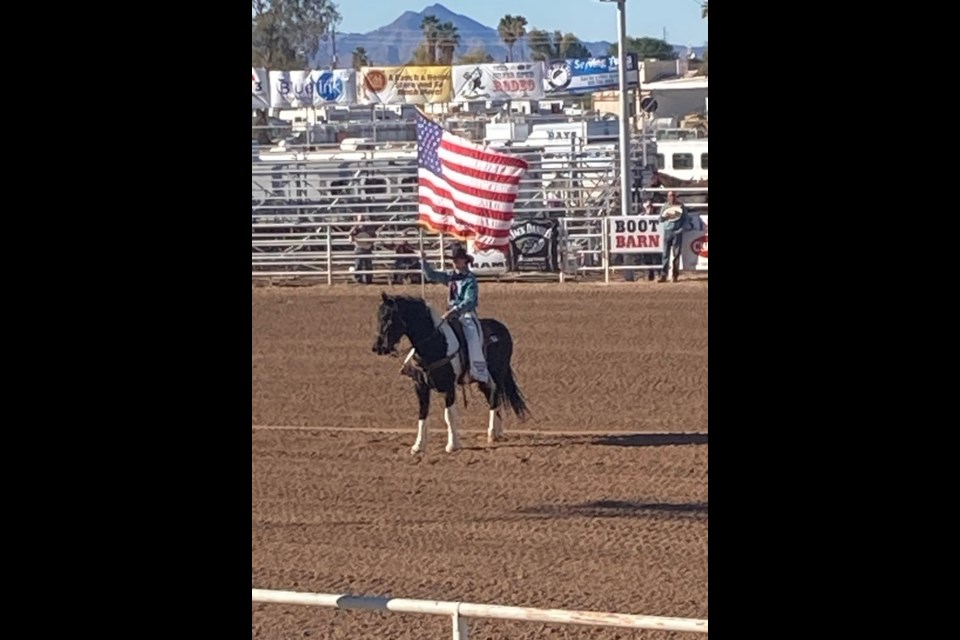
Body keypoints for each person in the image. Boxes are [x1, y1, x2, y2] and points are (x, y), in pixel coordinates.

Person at [418, 245, 489, 383]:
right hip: (450, 313)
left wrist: (455, 310)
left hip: (466, 314)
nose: (455, 262)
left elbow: (469, 301)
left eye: (458, 259)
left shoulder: (470, 279)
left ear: (464, 261)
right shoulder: (450, 276)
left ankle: (476, 369)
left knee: (472, 336)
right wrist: (423, 261)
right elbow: (431, 275)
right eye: (454, 259)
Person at [658, 191, 689, 283]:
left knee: (676, 255)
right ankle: (664, 275)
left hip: (677, 232)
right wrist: (666, 216)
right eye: (670, 196)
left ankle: (675, 275)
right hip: (667, 231)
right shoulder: (665, 207)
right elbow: (660, 219)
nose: (672, 197)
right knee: (665, 255)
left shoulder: (681, 206)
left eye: (674, 195)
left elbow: (686, 219)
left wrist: (681, 229)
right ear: (668, 197)